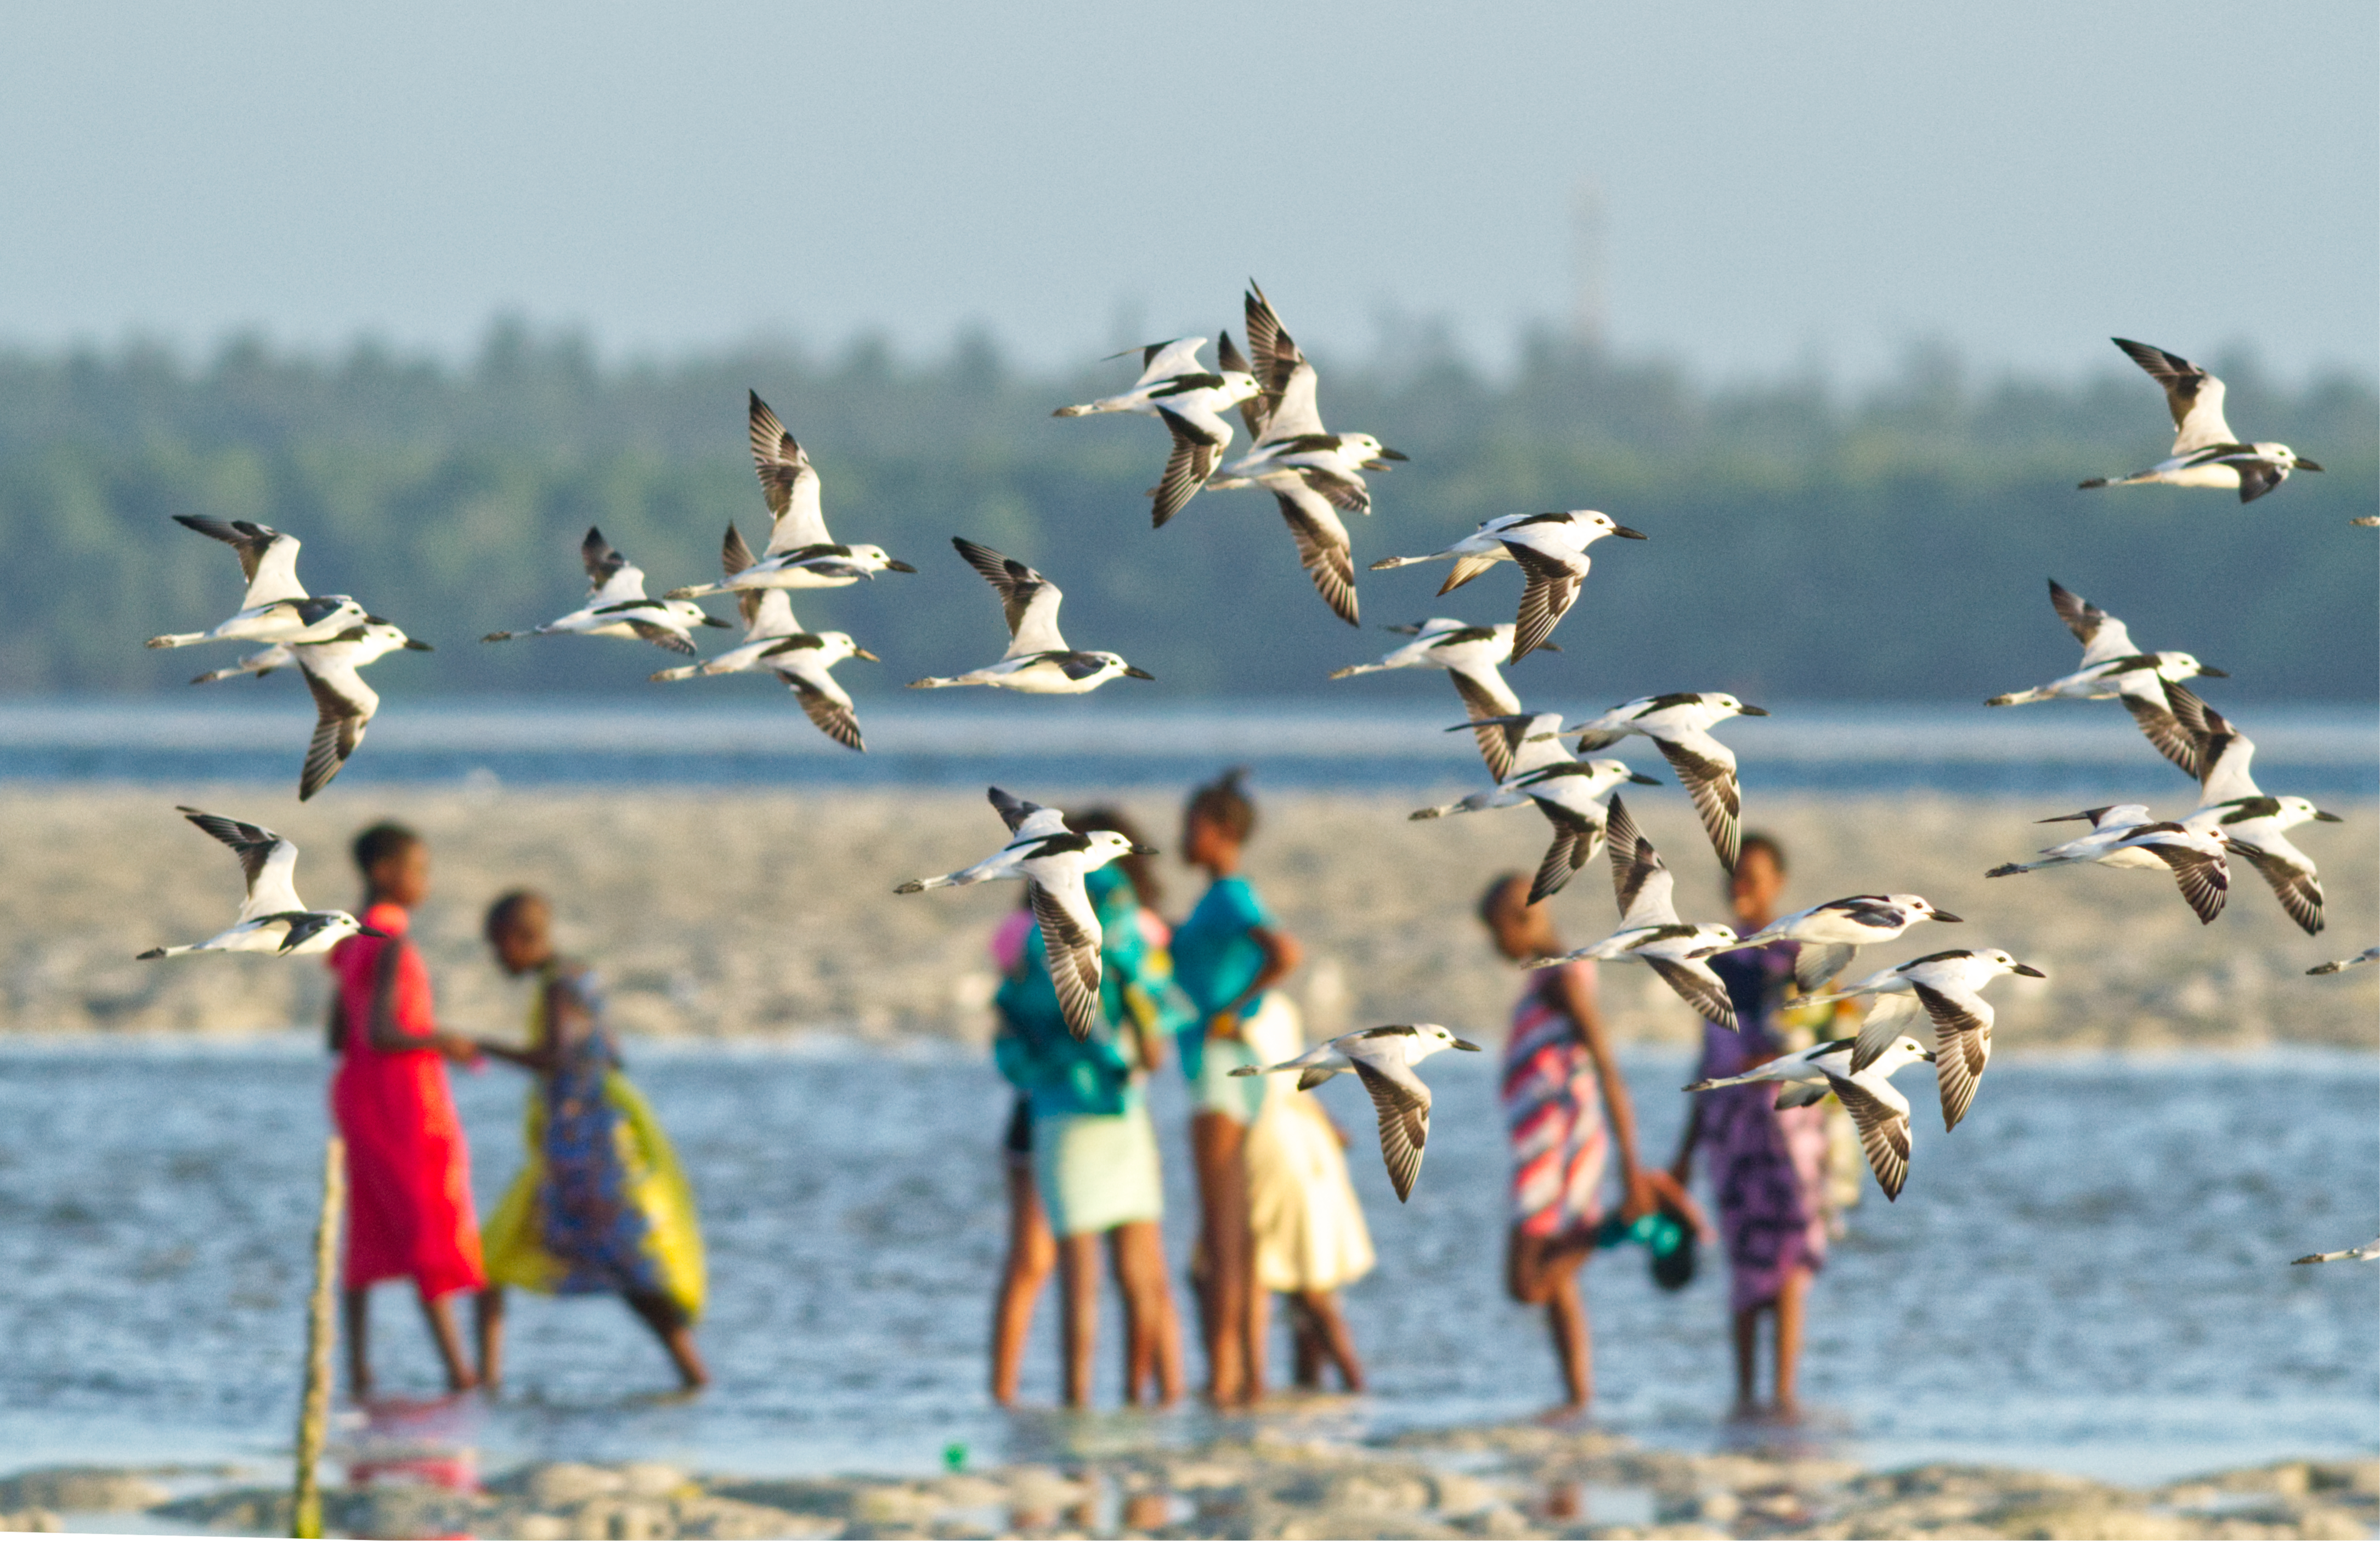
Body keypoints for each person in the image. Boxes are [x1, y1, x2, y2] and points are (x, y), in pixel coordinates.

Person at [990, 809, 1189, 1408]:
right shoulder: (1131, 931)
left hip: (1058, 1107)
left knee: (1075, 1270)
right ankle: (1152, 1401)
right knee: (1141, 1269)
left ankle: (1074, 1403)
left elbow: (1011, 1020)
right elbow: (1155, 1040)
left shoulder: (1029, 935)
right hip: (1121, 1105)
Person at [472, 890, 708, 1391]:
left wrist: (477, 1046)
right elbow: (610, 1055)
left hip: (581, 1157)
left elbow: (554, 1058)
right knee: (496, 1261)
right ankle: (483, 1384)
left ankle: (482, 1386)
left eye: (499, 948)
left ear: (519, 939)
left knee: (627, 1277)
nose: (498, 961)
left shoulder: (560, 986)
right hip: (575, 1150)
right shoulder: (577, 979)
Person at [1479, 874, 1688, 1414]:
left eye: (1496, 931)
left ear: (1524, 921)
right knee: (1557, 1278)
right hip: (1544, 1145)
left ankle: (1622, 1219)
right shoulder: (1547, 977)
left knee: (1526, 1282)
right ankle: (1576, 1398)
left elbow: (1607, 1068)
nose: (1494, 945)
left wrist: (1629, 1165)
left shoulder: (1563, 979)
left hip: (1561, 1148)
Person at [1669, 833, 1832, 1418]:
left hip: (1792, 1129)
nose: (1742, 890)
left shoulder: (1801, 955)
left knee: (1788, 1250)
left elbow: (1829, 1042)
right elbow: (1706, 1054)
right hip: (1731, 1130)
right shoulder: (1715, 960)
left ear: (1777, 885)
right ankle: (1744, 1395)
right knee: (1743, 1253)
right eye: (1734, 878)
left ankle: (1782, 1393)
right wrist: (1683, 1153)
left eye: (1754, 879)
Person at [326, 822, 487, 1396]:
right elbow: (382, 1030)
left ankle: (357, 1372)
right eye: (417, 868)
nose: (425, 880)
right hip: (402, 1099)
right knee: (428, 1224)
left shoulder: (348, 936)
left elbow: (338, 1034)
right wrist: (446, 1040)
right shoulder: (390, 938)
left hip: (357, 1093)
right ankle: (459, 1372)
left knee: (369, 1225)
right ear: (384, 872)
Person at [1170, 768, 1302, 1406]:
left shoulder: (1228, 895)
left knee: (1222, 1233)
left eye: (1192, 823)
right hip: (1227, 1070)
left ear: (1222, 833)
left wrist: (1234, 1008)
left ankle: (1227, 1374)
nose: (1181, 834)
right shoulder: (1213, 899)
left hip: (1220, 1070)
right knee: (1236, 1230)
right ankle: (1250, 1371)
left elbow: (1285, 953)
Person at [1240, 987, 1373, 1393]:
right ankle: (1320, 1387)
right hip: (1307, 1142)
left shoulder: (1234, 1012)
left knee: (1268, 1275)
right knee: (1307, 1280)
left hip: (1270, 1145)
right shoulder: (1280, 1005)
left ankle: (1255, 1386)